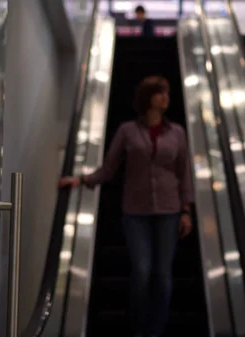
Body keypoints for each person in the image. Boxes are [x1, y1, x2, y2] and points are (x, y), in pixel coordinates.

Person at [59, 75, 194, 337]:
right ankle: (139, 329)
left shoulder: (177, 132)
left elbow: (184, 173)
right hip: (136, 212)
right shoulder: (127, 131)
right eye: (159, 92)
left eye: (166, 92)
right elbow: (109, 169)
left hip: (169, 210)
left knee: (163, 277)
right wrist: (81, 180)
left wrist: (186, 209)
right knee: (142, 271)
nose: (165, 97)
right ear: (147, 98)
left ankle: (155, 331)